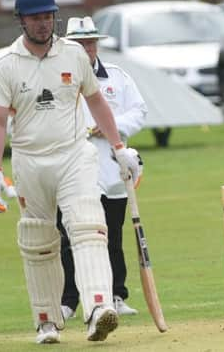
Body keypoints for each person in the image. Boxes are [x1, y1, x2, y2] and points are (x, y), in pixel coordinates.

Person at [0, 0, 142, 344]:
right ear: (21, 20)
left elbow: (97, 101)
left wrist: (119, 147)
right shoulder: (7, 64)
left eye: (49, 16)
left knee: (88, 225)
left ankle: (99, 307)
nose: (44, 24)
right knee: (39, 238)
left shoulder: (73, 54)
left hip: (73, 154)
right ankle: (48, 321)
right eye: (36, 18)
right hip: (29, 160)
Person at [57, 16, 147, 320]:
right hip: (71, 172)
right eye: (80, 43)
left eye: (91, 42)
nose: (87, 48)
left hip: (111, 172)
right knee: (70, 237)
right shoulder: (57, 77)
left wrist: (110, 127)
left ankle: (116, 295)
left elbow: (139, 111)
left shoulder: (118, 77)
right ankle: (69, 301)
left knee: (113, 238)